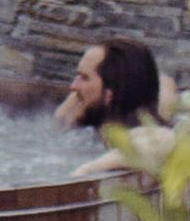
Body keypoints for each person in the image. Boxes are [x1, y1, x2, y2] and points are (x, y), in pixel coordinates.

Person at [57, 36, 165, 178]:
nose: (73, 86)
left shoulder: (148, 138)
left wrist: (85, 170)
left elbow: (161, 141)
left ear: (110, 93)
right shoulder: (94, 133)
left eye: (84, 78)